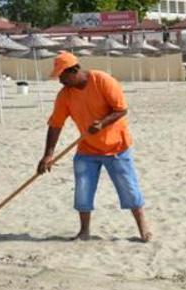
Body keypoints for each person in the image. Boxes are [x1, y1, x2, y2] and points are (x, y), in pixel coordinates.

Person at [37, 52, 151, 242]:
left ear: (74, 71)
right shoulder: (65, 95)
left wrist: (102, 123)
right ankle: (84, 231)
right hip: (87, 149)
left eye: (62, 76)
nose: (60, 81)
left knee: (128, 188)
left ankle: (143, 228)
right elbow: (55, 124)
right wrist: (48, 155)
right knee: (83, 189)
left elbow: (121, 109)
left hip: (116, 147)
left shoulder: (102, 80)